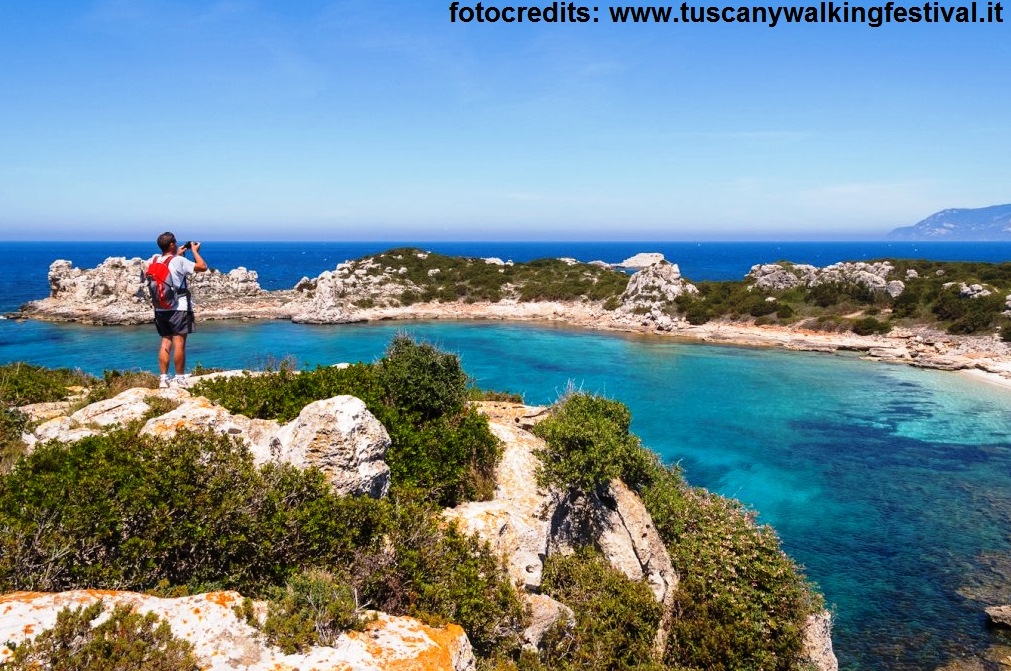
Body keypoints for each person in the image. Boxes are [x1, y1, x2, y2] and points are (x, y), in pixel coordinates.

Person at [151, 232, 207, 388]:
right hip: (178, 307)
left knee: (165, 342)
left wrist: (177, 254)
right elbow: (202, 267)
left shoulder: (154, 260)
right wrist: (195, 251)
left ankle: (163, 378)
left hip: (160, 307)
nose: (176, 244)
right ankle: (180, 378)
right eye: (174, 242)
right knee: (179, 342)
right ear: (171, 245)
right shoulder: (179, 261)